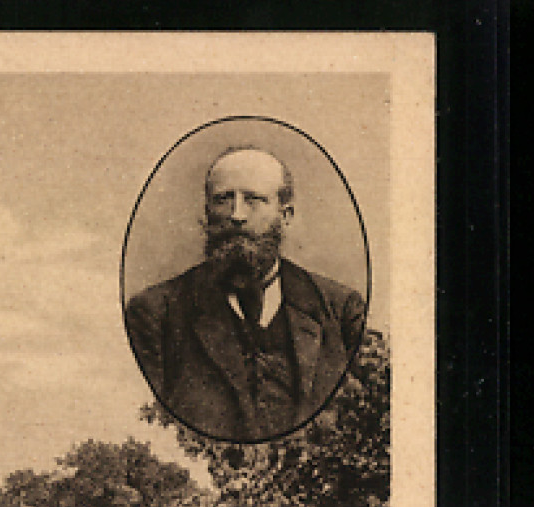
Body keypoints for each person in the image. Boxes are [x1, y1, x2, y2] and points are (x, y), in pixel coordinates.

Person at [124, 146, 367, 442]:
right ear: (207, 212)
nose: (237, 215)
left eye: (253, 200)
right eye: (223, 200)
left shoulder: (341, 311)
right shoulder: (154, 315)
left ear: (285, 215)